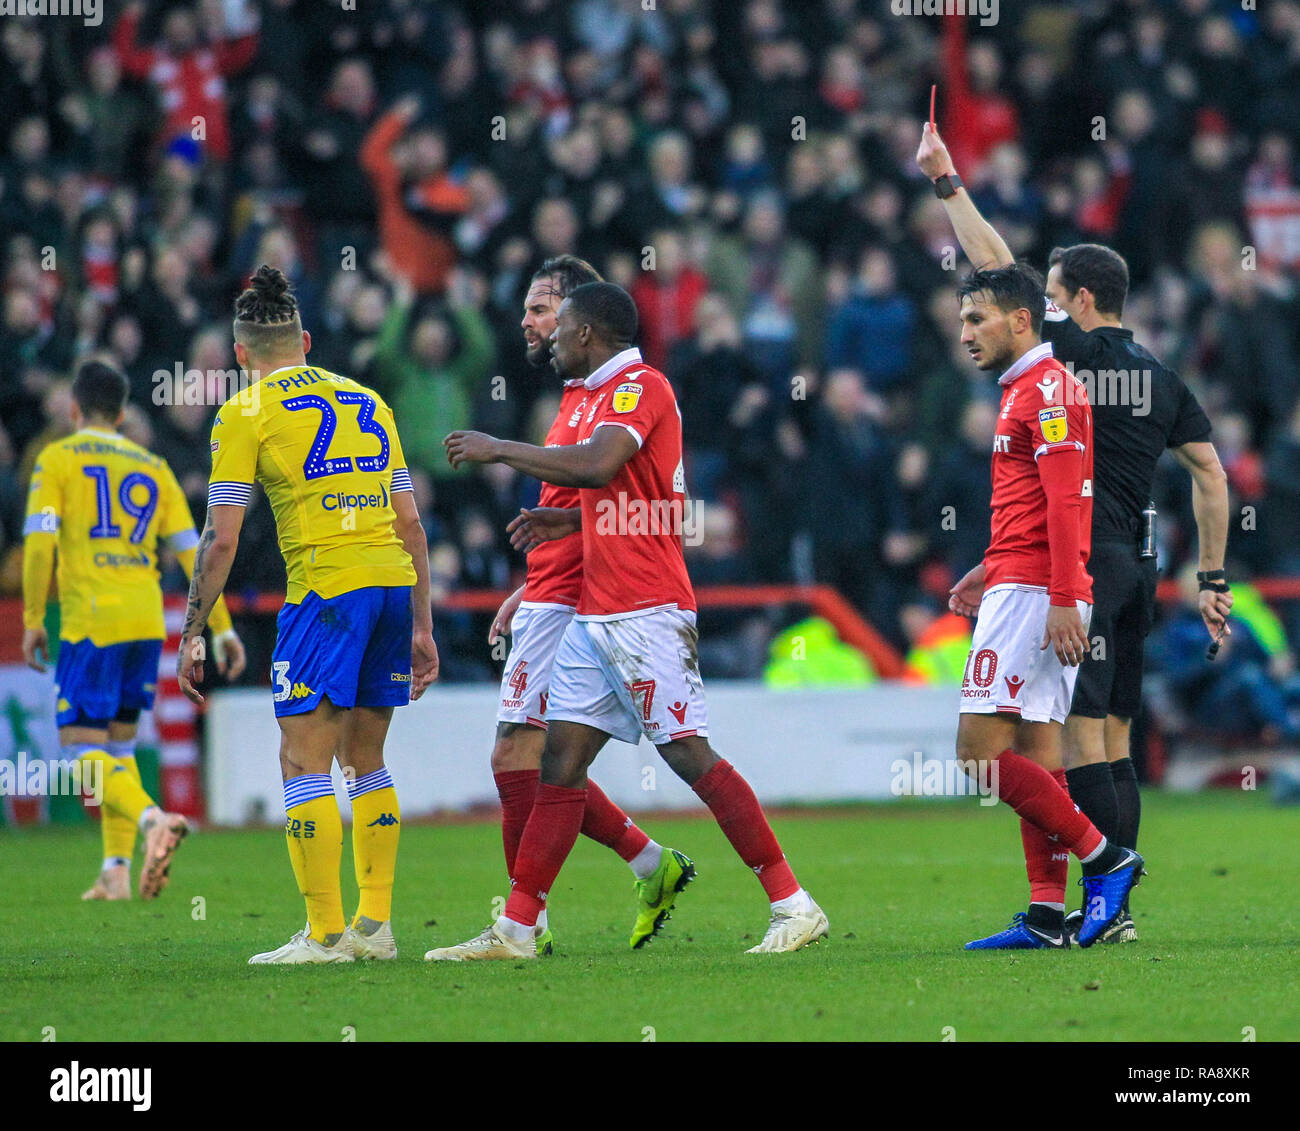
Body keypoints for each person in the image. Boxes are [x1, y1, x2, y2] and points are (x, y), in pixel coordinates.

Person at [431, 282, 828, 959]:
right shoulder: (595, 397)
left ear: (586, 334)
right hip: (597, 610)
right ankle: (519, 927)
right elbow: (625, 493)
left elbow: (598, 465)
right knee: (559, 759)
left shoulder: (640, 386)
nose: (551, 341)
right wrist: (565, 519)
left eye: (560, 332)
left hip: (646, 609)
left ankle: (794, 903)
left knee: (688, 755)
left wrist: (501, 447)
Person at [918, 121, 1232, 943]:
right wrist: (1213, 580)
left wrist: (949, 185)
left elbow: (993, 265)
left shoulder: (1064, 359)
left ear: (1071, 305)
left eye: (1051, 296)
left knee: (1053, 746)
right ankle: (1071, 910)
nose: (1039, 307)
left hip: (1069, 569)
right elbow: (1211, 473)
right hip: (1135, 565)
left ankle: (1107, 875)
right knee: (1102, 739)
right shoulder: (1162, 379)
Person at [177, 265, 438, 964]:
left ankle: (324, 933)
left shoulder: (245, 412)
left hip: (326, 591)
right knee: (367, 759)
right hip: (390, 579)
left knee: (301, 758)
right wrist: (422, 624)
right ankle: (375, 927)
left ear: (240, 355)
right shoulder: (369, 400)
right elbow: (412, 523)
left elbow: (221, 535)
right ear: (306, 340)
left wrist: (194, 626)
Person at [485, 255, 694, 954]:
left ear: (582, 321)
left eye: (544, 310)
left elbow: (618, 496)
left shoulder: (619, 394)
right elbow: (580, 508)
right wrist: (526, 585)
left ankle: (525, 919)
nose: (531, 324)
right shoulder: (577, 395)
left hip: (590, 594)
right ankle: (642, 863)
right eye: (528, 311)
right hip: (552, 587)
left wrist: (498, 451)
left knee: (523, 755)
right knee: (532, 757)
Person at [940, 262, 1144, 949]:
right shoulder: (1024, 389)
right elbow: (1033, 503)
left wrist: (1060, 597)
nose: (964, 331)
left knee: (978, 753)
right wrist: (989, 568)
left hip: (1038, 595)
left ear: (1020, 319)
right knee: (1036, 750)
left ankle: (1107, 859)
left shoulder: (1048, 391)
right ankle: (1046, 915)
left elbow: (1064, 502)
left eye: (977, 319)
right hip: (1021, 581)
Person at [22, 360, 246, 902]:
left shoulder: (55, 459)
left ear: (74, 409)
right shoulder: (153, 465)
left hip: (92, 620)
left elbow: (40, 542)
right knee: (119, 751)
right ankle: (115, 871)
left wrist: (32, 619)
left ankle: (153, 822)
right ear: (123, 414)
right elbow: (195, 551)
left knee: (80, 751)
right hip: (145, 621)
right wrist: (221, 629)